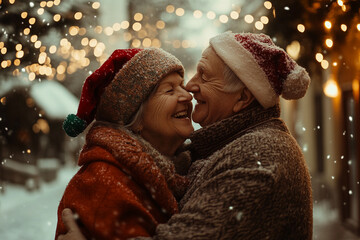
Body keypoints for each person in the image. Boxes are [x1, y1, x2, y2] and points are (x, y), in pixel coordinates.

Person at [58, 32, 313, 240]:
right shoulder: (113, 179)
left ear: (243, 98)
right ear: (135, 117)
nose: (190, 89)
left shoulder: (258, 155)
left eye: (203, 75)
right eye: (169, 89)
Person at [55, 47, 194, 240]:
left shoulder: (182, 167)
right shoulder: (104, 183)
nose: (187, 96)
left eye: (183, 86)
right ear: (135, 118)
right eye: (170, 90)